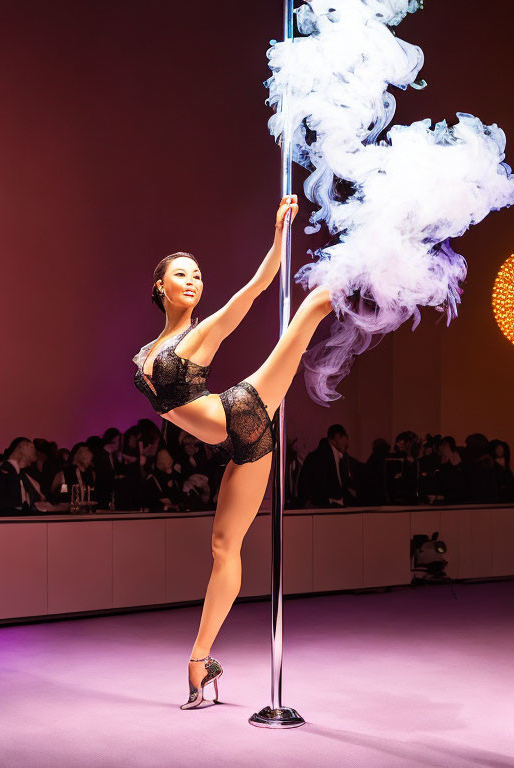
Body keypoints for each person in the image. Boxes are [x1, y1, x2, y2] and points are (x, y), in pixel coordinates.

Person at [132, 194, 334, 709]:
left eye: (197, 274)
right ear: (160, 286)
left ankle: (385, 266)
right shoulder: (147, 353)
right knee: (223, 550)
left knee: (313, 305)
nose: (192, 280)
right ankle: (201, 660)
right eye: (181, 274)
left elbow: (258, 287)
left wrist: (278, 234)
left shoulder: (201, 334)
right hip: (237, 447)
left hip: (242, 410)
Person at [299, 424, 359, 508]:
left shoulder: (317, 456)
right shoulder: (329, 457)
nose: (347, 444)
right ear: (337, 437)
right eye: (345, 438)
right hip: (327, 506)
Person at [0, 437, 49, 515]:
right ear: (21, 446)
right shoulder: (4, 471)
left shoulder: (28, 475)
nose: (34, 450)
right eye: (31, 447)